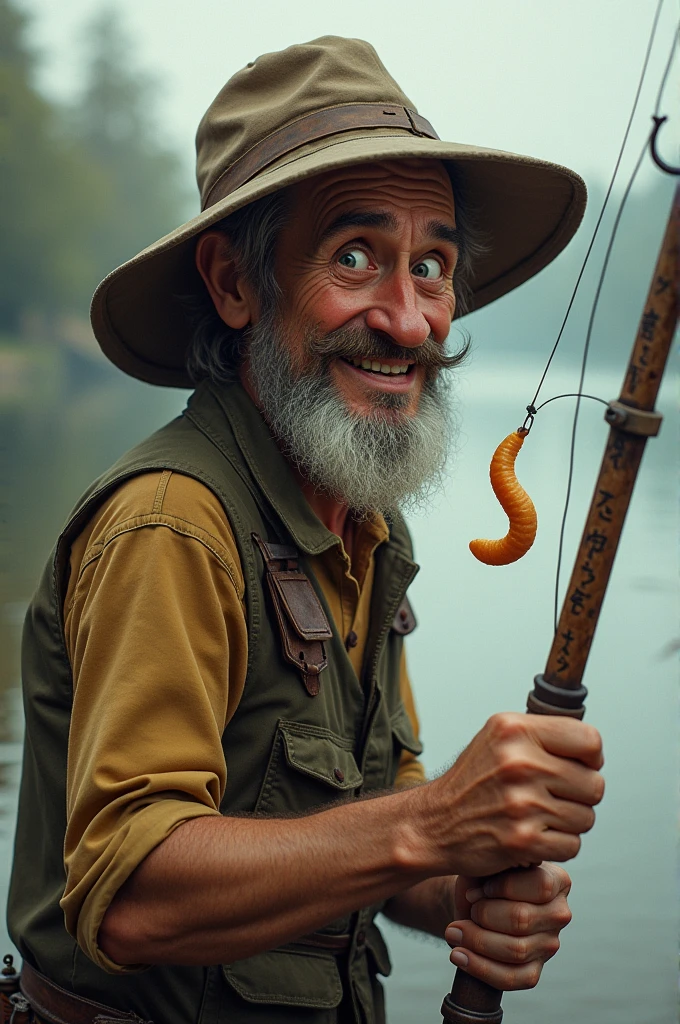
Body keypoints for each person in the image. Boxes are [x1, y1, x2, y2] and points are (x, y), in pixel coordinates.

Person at [7, 35, 603, 1024]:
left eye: (433, 266)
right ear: (235, 285)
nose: (409, 320)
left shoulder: (363, 518)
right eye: (355, 256)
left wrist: (457, 884)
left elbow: (371, 805)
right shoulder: (174, 523)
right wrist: (430, 822)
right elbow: (133, 893)